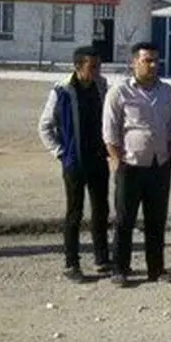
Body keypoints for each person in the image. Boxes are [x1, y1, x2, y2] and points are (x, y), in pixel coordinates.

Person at [103, 42, 171, 286]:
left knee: (156, 220)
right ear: (134, 62)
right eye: (148, 60)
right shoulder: (120, 92)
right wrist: (117, 163)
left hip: (159, 166)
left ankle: (156, 269)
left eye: (156, 60)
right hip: (130, 166)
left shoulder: (166, 91)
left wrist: (168, 160)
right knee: (125, 220)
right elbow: (110, 133)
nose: (153, 65)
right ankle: (120, 269)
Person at [38, 45, 112, 282]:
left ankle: (102, 259)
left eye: (99, 66)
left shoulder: (102, 87)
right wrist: (60, 152)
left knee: (101, 211)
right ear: (78, 67)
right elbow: (45, 126)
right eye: (92, 67)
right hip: (74, 163)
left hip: (98, 161)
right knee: (74, 213)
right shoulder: (62, 91)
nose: (97, 71)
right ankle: (72, 263)